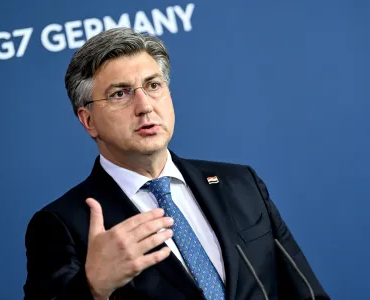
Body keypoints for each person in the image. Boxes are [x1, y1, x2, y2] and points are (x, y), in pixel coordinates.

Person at [23, 27, 329, 300]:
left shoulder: (242, 184)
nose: (144, 106)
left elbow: (305, 290)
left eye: (153, 85)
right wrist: (92, 287)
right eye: (120, 93)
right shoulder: (62, 224)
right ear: (88, 120)